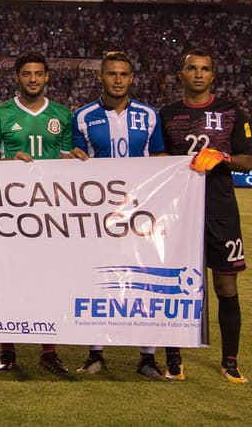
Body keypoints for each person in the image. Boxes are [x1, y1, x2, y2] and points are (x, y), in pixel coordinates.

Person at [0, 51, 86, 374]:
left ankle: (48, 350)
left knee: (49, 281)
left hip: (49, 211)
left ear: (47, 77)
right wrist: (8, 165)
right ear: (17, 77)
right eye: (26, 74)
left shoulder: (61, 115)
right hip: (11, 212)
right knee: (9, 280)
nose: (32, 79)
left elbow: (67, 160)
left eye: (38, 74)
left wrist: (77, 161)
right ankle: (7, 349)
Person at [71, 51, 168, 380]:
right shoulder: (83, 116)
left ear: (131, 78)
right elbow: (73, 158)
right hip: (100, 215)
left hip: (142, 212)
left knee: (146, 281)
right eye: (111, 74)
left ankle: (147, 357)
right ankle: (95, 354)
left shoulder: (149, 116)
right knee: (97, 280)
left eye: (123, 74)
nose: (117, 80)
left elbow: (160, 160)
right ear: (101, 76)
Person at [159, 49, 252, 383]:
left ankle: (230, 361)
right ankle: (174, 360)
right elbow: (158, 159)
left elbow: (247, 160)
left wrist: (222, 156)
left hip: (220, 212)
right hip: (179, 213)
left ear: (213, 75)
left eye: (205, 69)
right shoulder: (166, 114)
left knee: (226, 285)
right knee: (178, 286)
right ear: (181, 75)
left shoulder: (231, 112)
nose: (198, 74)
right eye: (192, 68)